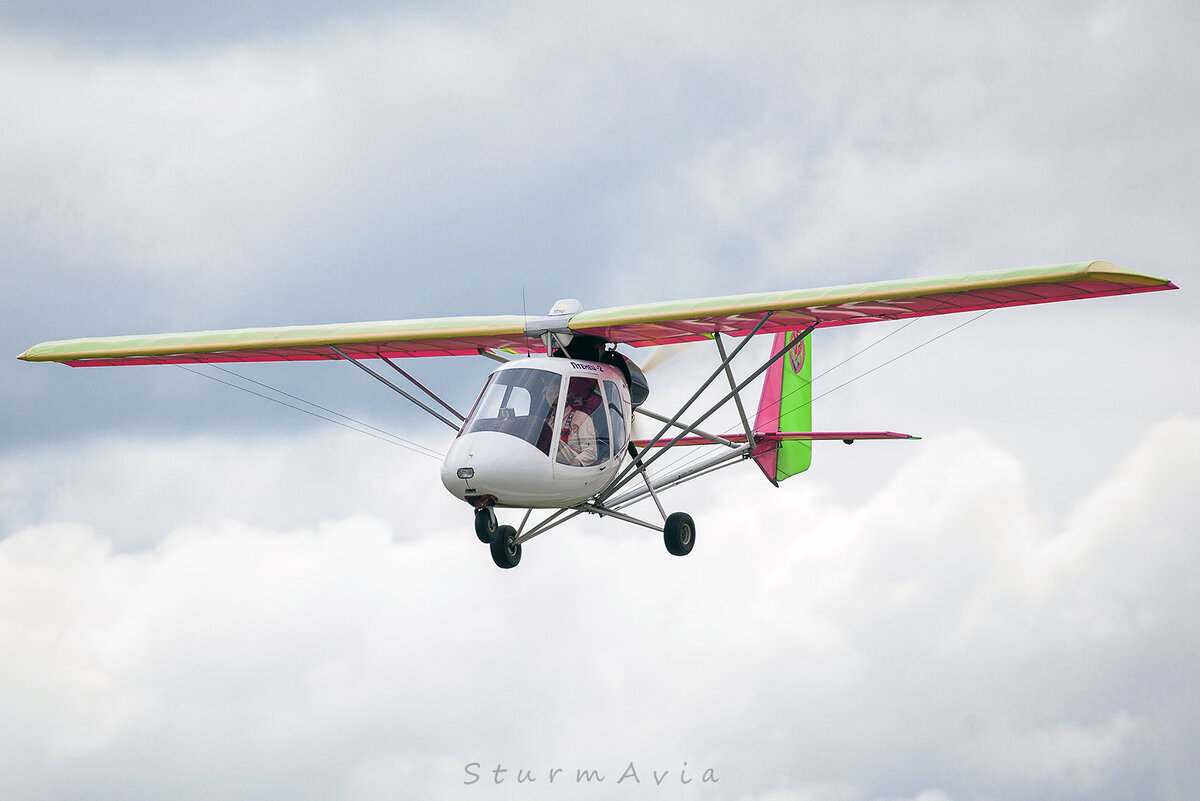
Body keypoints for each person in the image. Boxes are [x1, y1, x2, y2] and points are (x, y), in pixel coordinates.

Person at [539, 377, 598, 466]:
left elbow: (591, 452)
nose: (553, 397)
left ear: (565, 396)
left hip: (569, 468)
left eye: (556, 393)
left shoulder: (581, 417)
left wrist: (577, 461)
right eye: (550, 393)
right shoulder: (545, 422)